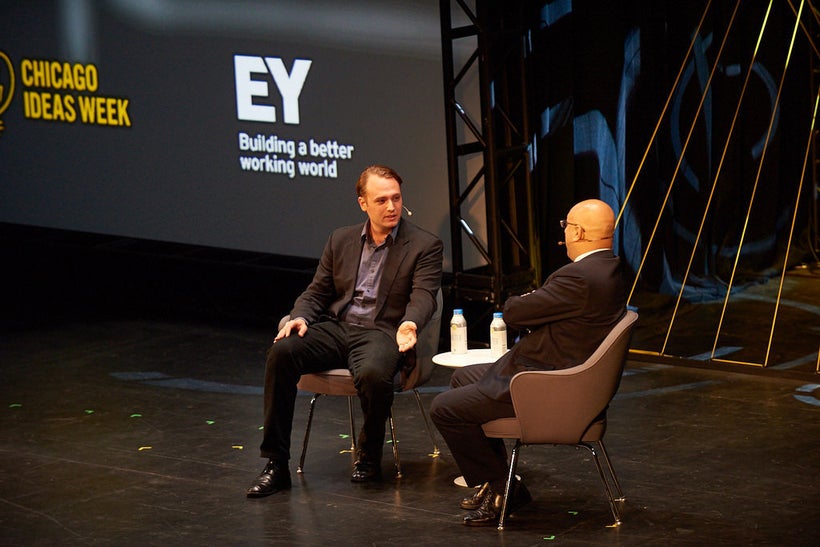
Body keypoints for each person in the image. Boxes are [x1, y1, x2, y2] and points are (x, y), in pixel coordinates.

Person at [246, 165, 443, 498]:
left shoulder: (424, 245)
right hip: (338, 328)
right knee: (281, 353)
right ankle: (275, 464)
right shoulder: (341, 239)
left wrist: (410, 323)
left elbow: (424, 295)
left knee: (372, 372)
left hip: (382, 332)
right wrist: (301, 316)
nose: (392, 207)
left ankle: (368, 454)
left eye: (396, 198)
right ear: (363, 203)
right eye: (382, 200)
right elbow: (317, 291)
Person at [430, 198, 627, 526]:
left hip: (548, 384)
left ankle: (504, 491)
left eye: (566, 227)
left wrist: (523, 299)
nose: (564, 233)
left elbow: (515, 313)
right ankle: (497, 481)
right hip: (553, 369)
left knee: (445, 408)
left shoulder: (579, 277)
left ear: (578, 232)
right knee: (463, 378)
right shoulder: (610, 268)